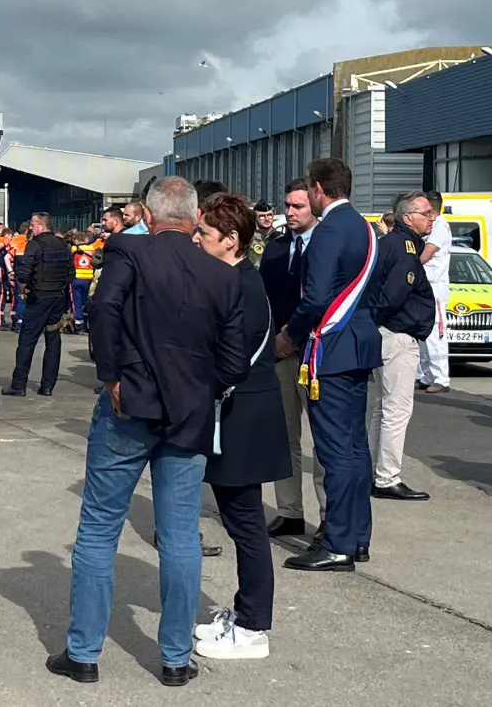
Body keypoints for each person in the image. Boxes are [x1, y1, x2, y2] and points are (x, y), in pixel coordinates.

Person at [46, 177, 249, 687]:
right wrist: (201, 388)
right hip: (189, 415)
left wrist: (112, 374)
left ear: (149, 215)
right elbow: (235, 359)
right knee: (180, 536)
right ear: (194, 214)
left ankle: (84, 653)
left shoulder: (129, 253)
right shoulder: (223, 276)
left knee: (98, 529)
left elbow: (103, 309)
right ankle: (176, 659)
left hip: (128, 406)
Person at [190, 193, 290, 661]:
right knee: (240, 521)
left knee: (246, 524)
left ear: (231, 240)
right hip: (241, 413)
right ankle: (244, 614)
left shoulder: (241, 287)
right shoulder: (237, 278)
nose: (196, 240)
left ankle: (252, 627)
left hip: (242, 416)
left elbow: (229, 362)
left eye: (204, 234)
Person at [275, 158, 381, 572]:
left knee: (335, 450)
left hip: (332, 348)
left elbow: (316, 298)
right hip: (357, 344)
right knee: (355, 448)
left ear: (319, 189)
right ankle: (356, 536)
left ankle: (336, 543)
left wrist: (289, 335)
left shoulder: (328, 232)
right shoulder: (363, 227)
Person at [257, 178, 326, 538]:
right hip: (281, 354)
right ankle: (289, 510)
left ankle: (329, 513)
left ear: (314, 204)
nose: (289, 212)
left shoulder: (328, 246)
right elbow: (263, 296)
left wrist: (294, 336)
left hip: (315, 352)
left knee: (323, 440)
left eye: (297, 206)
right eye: (287, 205)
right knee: (285, 436)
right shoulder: (276, 247)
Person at [366, 191, 436, 501]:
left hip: (387, 334)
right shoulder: (405, 249)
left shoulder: (390, 243)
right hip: (397, 336)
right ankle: (387, 477)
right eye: (425, 213)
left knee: (383, 408)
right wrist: (383, 324)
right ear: (408, 218)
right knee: (396, 410)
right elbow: (392, 297)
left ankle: (374, 471)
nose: (431, 217)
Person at [2, 212, 75, 397]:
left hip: (39, 298)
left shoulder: (35, 245)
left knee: (27, 341)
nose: (30, 228)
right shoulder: (63, 245)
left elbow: (24, 273)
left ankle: (19, 385)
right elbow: (70, 274)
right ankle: (48, 386)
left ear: (41, 226)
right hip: (57, 298)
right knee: (53, 341)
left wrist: (23, 288)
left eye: (33, 224)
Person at [417, 191, 451, 393]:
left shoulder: (440, 226)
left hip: (435, 286)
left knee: (436, 333)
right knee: (423, 332)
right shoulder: (432, 226)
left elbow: (427, 253)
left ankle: (441, 377)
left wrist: (410, 264)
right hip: (426, 286)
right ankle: (427, 375)